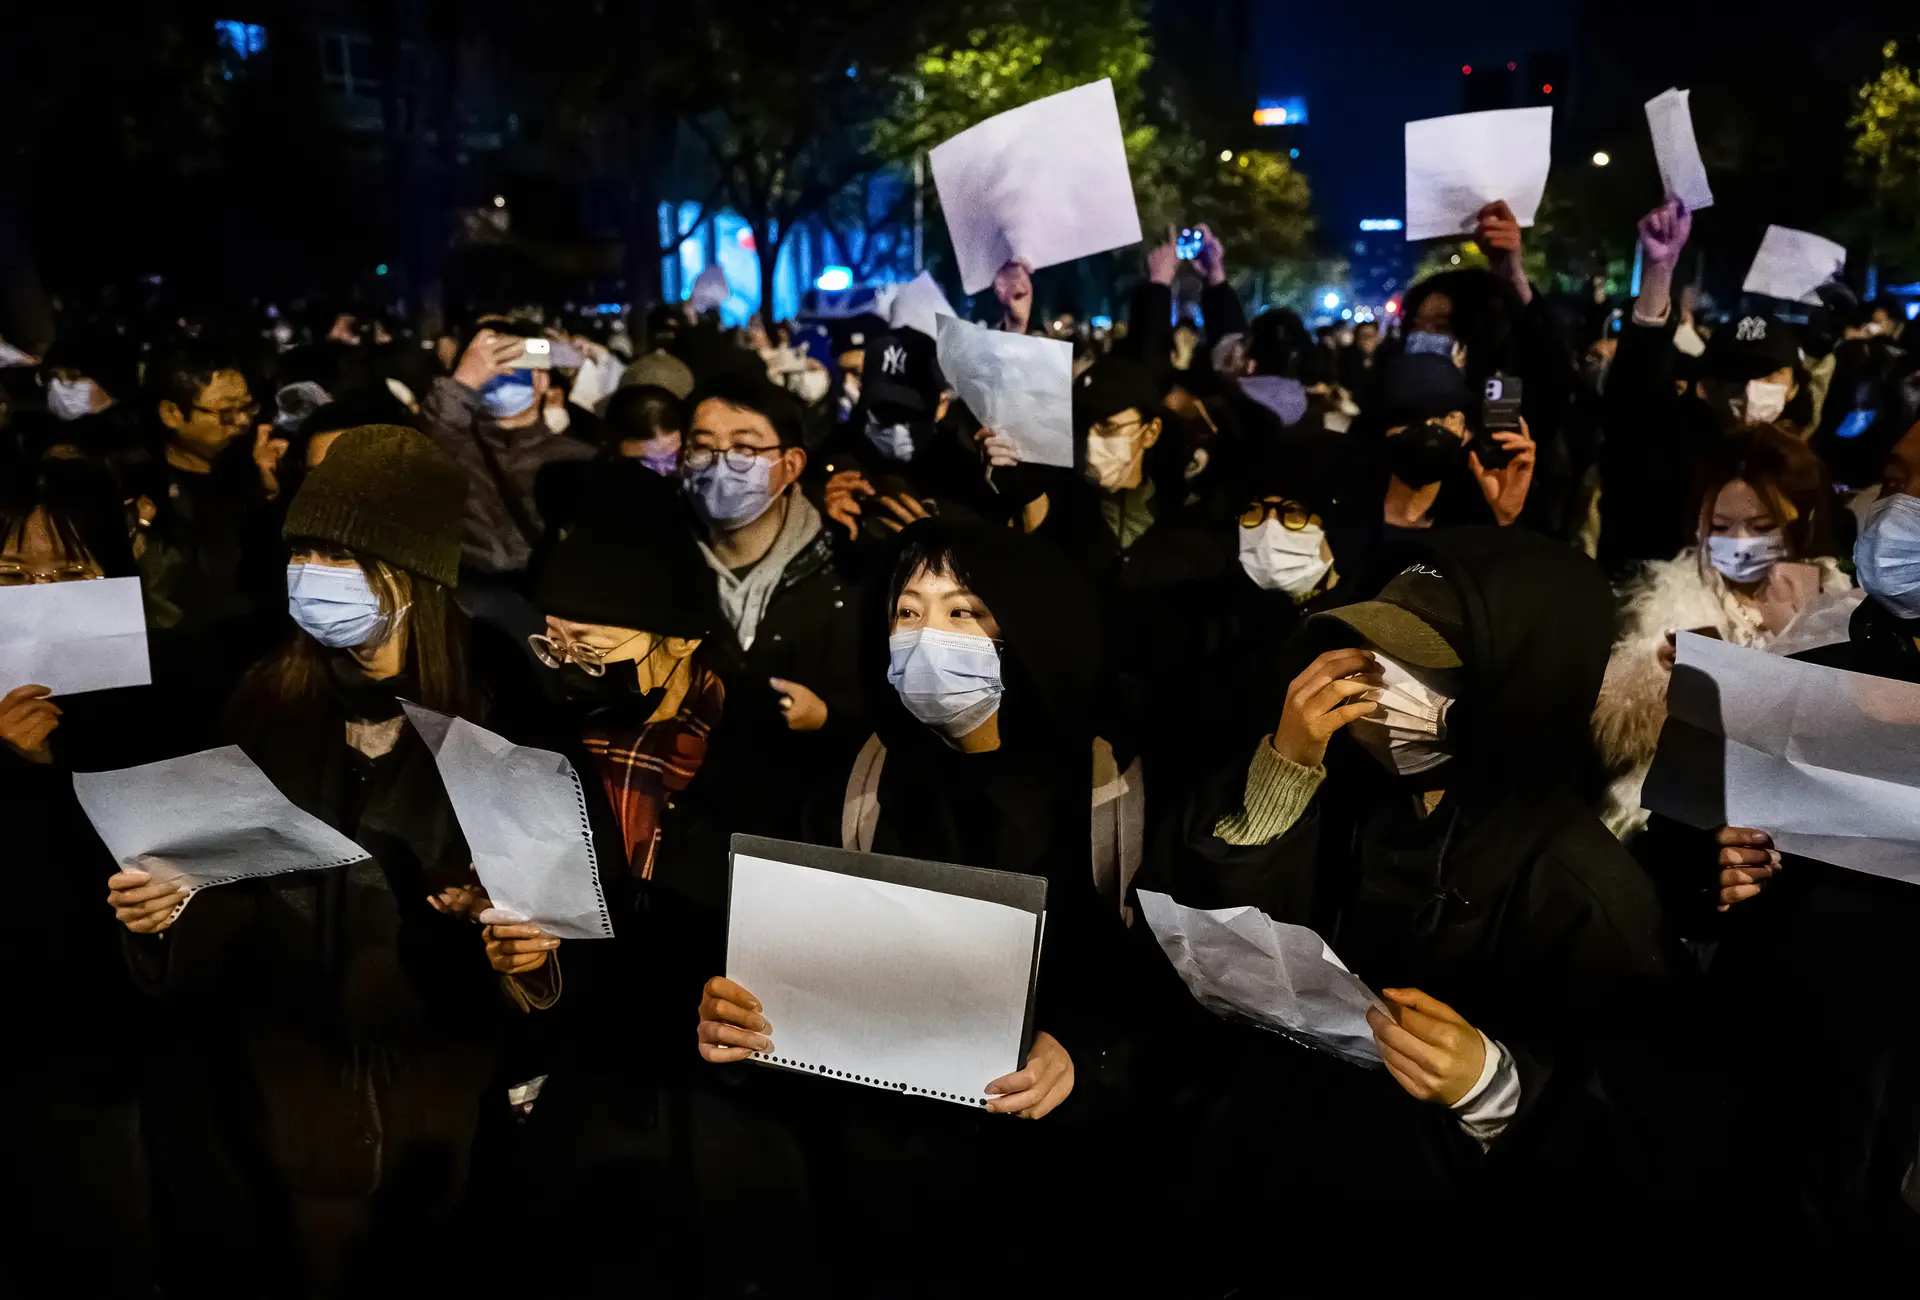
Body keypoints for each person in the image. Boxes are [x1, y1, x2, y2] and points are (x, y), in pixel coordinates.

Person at [1144, 528, 1685, 1283]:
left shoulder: (1584, 888)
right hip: (1284, 1199)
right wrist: (1284, 771)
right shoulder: (1349, 797)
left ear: (1518, 681)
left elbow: (1648, 1151)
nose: (1375, 687)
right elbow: (1217, 938)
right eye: (1364, 653)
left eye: (1419, 667)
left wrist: (1495, 1087)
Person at [102, 424, 503, 1297]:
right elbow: (212, 894)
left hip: (443, 1127)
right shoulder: (261, 701)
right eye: (306, 549)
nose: (316, 573)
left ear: (415, 576)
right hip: (278, 1119)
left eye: (345, 554)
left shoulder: (497, 715)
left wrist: (497, 929)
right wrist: (166, 914)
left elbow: (549, 941)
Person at [693, 518, 1138, 1293]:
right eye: (908, 611)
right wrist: (738, 1024)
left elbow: (1162, 999)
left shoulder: (1110, 792)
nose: (929, 633)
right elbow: (794, 982)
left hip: (1044, 1199)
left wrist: (1086, 1059)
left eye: (965, 611)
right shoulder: (860, 780)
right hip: (868, 1194)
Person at [1691, 418, 1920, 1273]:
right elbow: (1713, 877)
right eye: (1893, 482)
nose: (1899, 513)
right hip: (1784, 1103)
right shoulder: (1815, 663)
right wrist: (1716, 871)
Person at [4, 453, 160, 1295]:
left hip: (108, 1050)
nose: (37, 597)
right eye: (7, 573)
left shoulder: (168, 693)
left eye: (69, 571)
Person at [1593, 424, 1859, 837]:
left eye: (1760, 525)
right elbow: (1618, 733)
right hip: (1682, 821)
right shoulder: (1668, 603)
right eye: (1720, 526)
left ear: (1801, 521)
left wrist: (1801, 634)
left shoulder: (1837, 603)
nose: (1740, 542)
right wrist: (1659, 677)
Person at [680, 372, 864, 834]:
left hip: (808, 824)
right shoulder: (663, 561)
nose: (720, 465)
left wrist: (829, 717)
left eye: (745, 449)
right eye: (703, 447)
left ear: (792, 463)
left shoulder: (847, 567)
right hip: (688, 818)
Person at [425, 320, 595, 581]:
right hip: (474, 594)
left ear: (540, 379)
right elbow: (426, 445)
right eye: (491, 371)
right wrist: (462, 383)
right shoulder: (456, 447)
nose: (502, 378)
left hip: (548, 595)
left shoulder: (576, 457)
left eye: (515, 369)